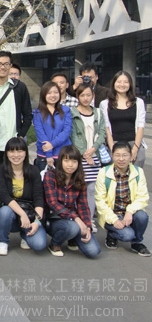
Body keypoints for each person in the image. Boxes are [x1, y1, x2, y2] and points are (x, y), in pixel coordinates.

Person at [0, 51, 32, 228]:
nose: (2, 67)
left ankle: (14, 216)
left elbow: (28, 114)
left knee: (15, 181)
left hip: (13, 146)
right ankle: (0, 219)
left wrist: (21, 135)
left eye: (6, 64)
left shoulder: (19, 88)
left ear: (10, 66)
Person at [43, 145, 101, 258]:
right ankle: (54, 244)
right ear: (60, 161)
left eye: (74, 161)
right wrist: (76, 218)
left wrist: (87, 226)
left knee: (94, 251)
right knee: (72, 227)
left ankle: (72, 238)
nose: (70, 165)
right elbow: (52, 203)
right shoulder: (50, 176)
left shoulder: (79, 179)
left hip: (73, 219)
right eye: (66, 160)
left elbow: (83, 205)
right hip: (54, 218)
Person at [0, 138, 47, 256]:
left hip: (30, 214)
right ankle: (3, 241)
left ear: (25, 153)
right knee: (4, 211)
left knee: (39, 245)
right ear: (7, 153)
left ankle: (24, 234)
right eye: (12, 151)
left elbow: (39, 197)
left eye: (20, 151)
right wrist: (22, 214)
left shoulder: (34, 171)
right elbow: (4, 196)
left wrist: (37, 221)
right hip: (10, 213)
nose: (16, 155)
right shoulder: (0, 170)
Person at [95, 141, 150, 256]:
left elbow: (143, 197)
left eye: (125, 155)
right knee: (127, 235)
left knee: (142, 216)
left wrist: (130, 211)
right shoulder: (103, 173)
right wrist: (114, 219)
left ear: (131, 156)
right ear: (112, 156)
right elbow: (100, 201)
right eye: (117, 155)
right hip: (111, 213)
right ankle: (112, 234)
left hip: (130, 213)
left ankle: (137, 242)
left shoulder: (138, 172)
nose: (121, 159)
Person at [70, 83, 107, 232]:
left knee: (92, 189)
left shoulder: (98, 112)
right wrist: (84, 153)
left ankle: (89, 219)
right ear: (77, 96)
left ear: (93, 96)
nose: (85, 98)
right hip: (79, 157)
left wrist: (92, 150)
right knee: (78, 188)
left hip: (94, 156)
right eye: (82, 95)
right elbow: (73, 135)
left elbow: (102, 133)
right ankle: (77, 219)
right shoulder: (72, 112)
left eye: (88, 95)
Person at [99, 71, 146, 167]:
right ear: (114, 83)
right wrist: (113, 150)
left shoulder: (139, 102)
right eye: (119, 81)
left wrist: (135, 149)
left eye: (126, 82)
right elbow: (106, 128)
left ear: (130, 84)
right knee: (116, 175)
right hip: (115, 144)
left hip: (134, 143)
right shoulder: (105, 104)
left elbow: (141, 126)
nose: (122, 84)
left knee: (135, 174)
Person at [33, 81, 72, 171]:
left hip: (63, 154)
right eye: (49, 93)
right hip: (44, 155)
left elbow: (67, 131)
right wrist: (49, 154)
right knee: (45, 179)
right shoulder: (37, 113)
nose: (53, 95)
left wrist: (52, 144)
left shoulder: (66, 111)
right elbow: (40, 134)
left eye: (55, 92)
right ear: (44, 95)